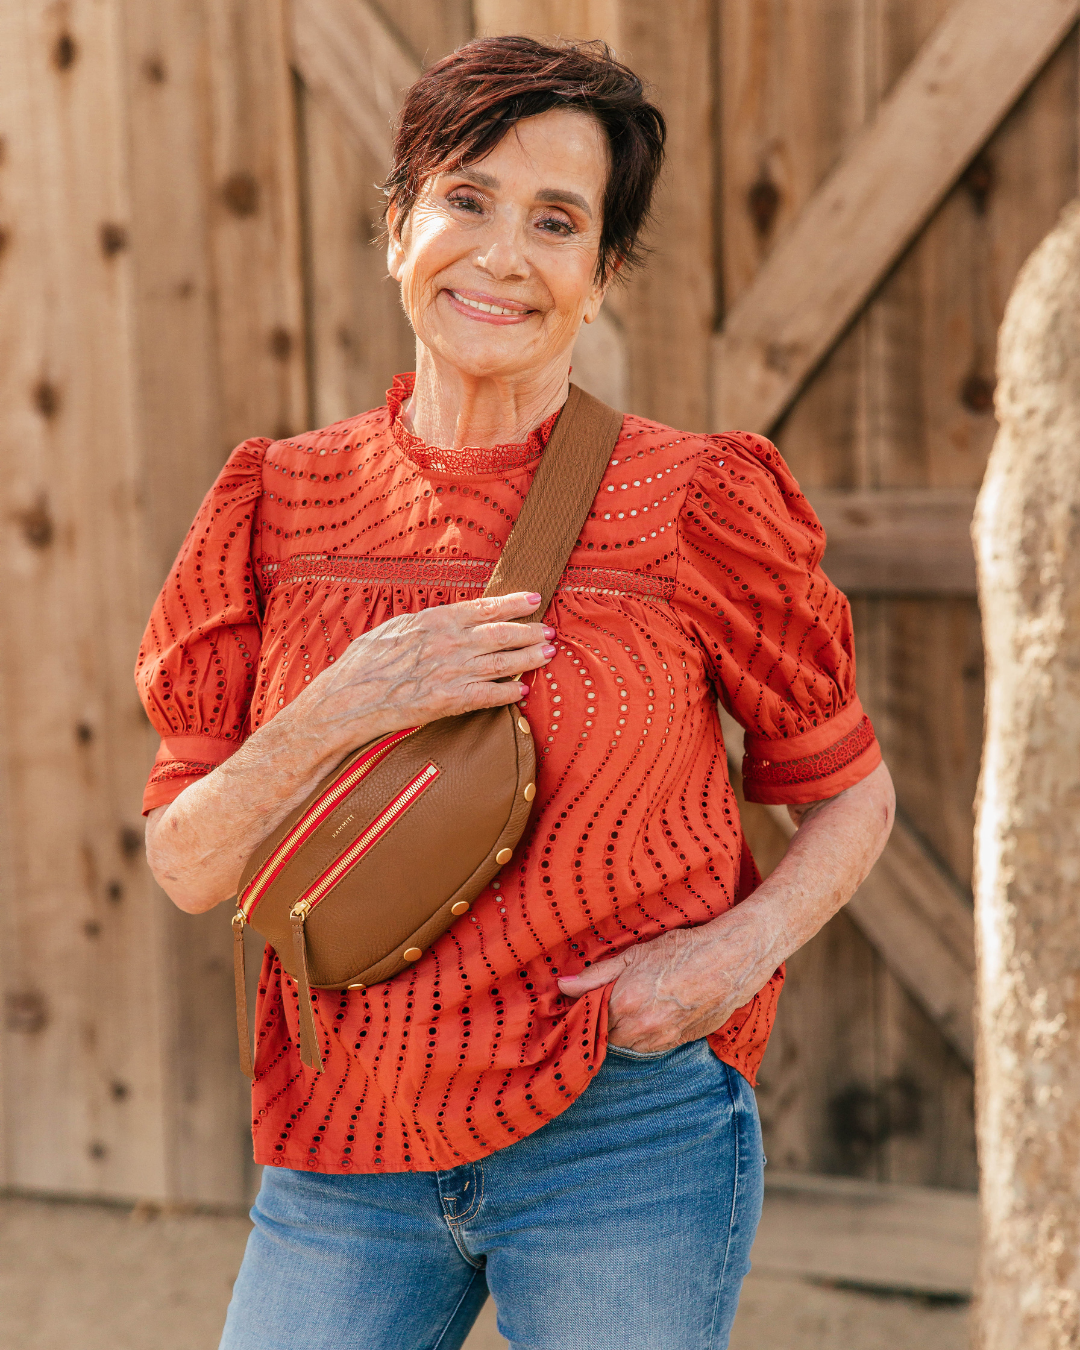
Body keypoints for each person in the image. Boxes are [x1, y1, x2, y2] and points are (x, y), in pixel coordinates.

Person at [136, 35, 894, 1350]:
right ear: (396, 228)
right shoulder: (274, 502)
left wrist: (732, 953)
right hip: (344, 1142)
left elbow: (850, 792)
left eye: (556, 222)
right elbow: (191, 866)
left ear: (597, 280)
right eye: (465, 198)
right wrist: (344, 700)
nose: (501, 254)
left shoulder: (693, 502)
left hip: (622, 1135)